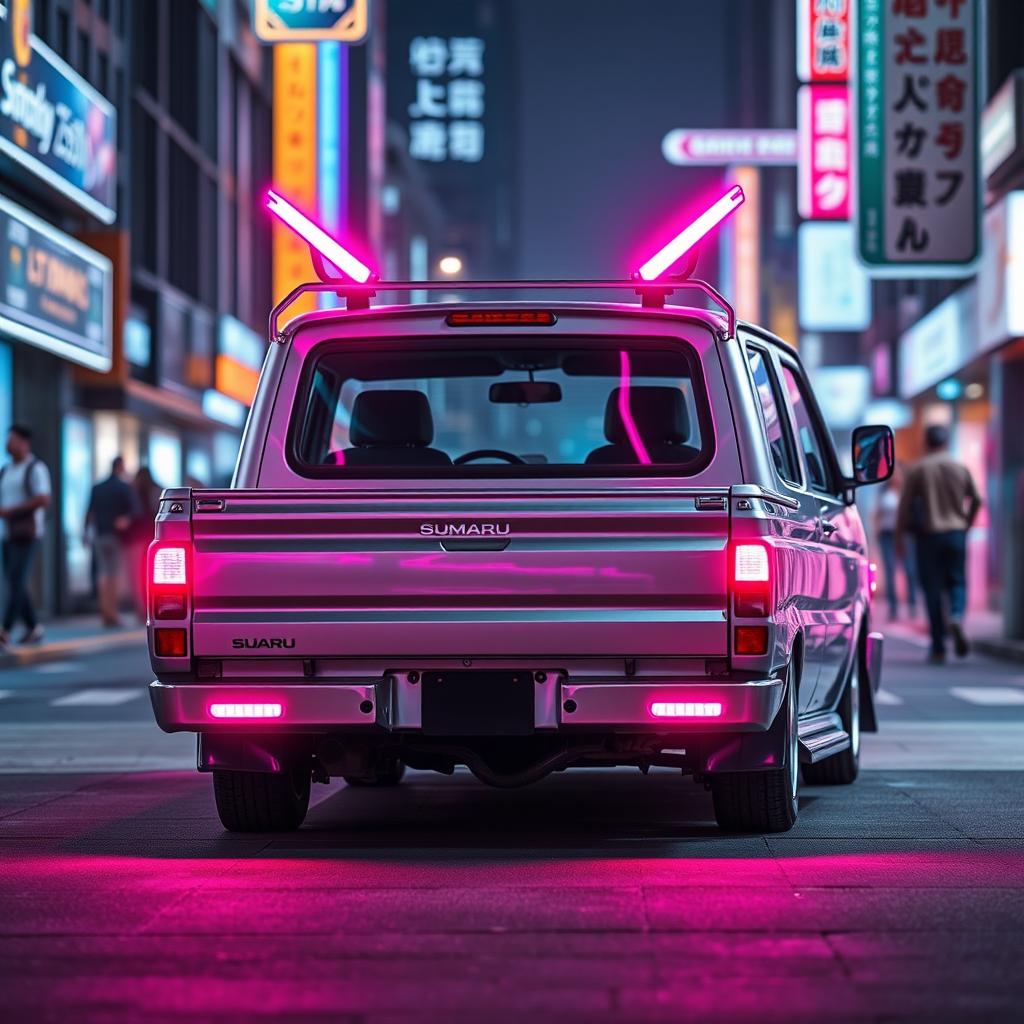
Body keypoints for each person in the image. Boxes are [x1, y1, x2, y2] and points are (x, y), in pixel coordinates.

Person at [897, 425, 982, 663]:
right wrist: (967, 524)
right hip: (956, 532)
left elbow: (904, 507)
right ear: (945, 442)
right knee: (957, 581)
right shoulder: (959, 467)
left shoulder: (918, 469)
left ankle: (937, 646)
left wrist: (898, 538)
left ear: (926, 442)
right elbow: (977, 499)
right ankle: (955, 615)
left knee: (932, 589)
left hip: (928, 536)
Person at [0, 424, 51, 649]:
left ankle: (5, 629)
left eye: (12, 440)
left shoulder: (35, 468)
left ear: (24, 443)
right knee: (15, 581)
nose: (8, 444)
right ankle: (33, 628)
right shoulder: (6, 470)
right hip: (7, 534)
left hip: (28, 534)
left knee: (17, 580)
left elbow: (43, 499)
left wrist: (12, 511)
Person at [85, 456, 141, 628]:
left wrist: (85, 532)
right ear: (121, 467)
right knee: (115, 575)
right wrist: (124, 519)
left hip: (100, 534)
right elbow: (136, 510)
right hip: (117, 536)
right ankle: (113, 614)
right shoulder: (124, 488)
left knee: (103, 573)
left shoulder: (97, 487)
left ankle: (105, 612)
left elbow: (89, 511)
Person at [873, 468, 917, 620]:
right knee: (890, 571)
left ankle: (912, 604)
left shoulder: (906, 492)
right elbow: (877, 512)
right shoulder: (883, 492)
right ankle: (893, 608)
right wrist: (876, 531)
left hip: (904, 535)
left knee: (909, 569)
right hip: (886, 535)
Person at [129, 465, 161, 620]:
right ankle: (155, 607)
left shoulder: (132, 491)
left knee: (137, 576)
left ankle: (141, 610)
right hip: (154, 538)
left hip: (136, 539)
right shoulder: (158, 490)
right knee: (153, 576)